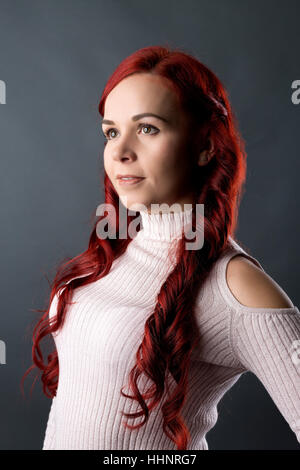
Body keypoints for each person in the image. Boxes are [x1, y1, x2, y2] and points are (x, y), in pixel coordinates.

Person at [21, 45, 300, 450]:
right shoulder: (114, 253)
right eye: (111, 132)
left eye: (147, 128)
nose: (119, 152)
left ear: (205, 146)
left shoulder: (234, 282)